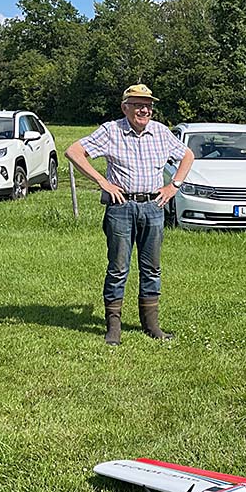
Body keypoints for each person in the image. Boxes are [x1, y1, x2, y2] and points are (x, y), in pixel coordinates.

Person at [65, 84, 194, 345]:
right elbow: (73, 152)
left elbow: (188, 155)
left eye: (147, 105)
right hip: (121, 207)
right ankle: (113, 327)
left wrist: (174, 186)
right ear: (125, 107)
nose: (144, 109)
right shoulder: (111, 130)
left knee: (152, 268)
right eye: (137, 104)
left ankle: (151, 325)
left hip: (153, 207)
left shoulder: (160, 132)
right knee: (118, 268)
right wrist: (103, 182)